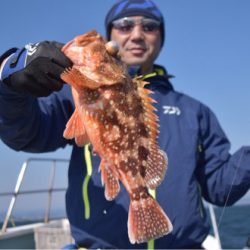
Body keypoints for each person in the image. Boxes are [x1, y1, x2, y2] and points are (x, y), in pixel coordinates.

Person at [0, 0, 250, 248]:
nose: (137, 35)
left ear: (161, 38)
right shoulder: (73, 95)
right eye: (125, 25)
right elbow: (25, 134)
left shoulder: (195, 111)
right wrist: (8, 79)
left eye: (150, 27)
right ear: (111, 37)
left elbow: (219, 187)